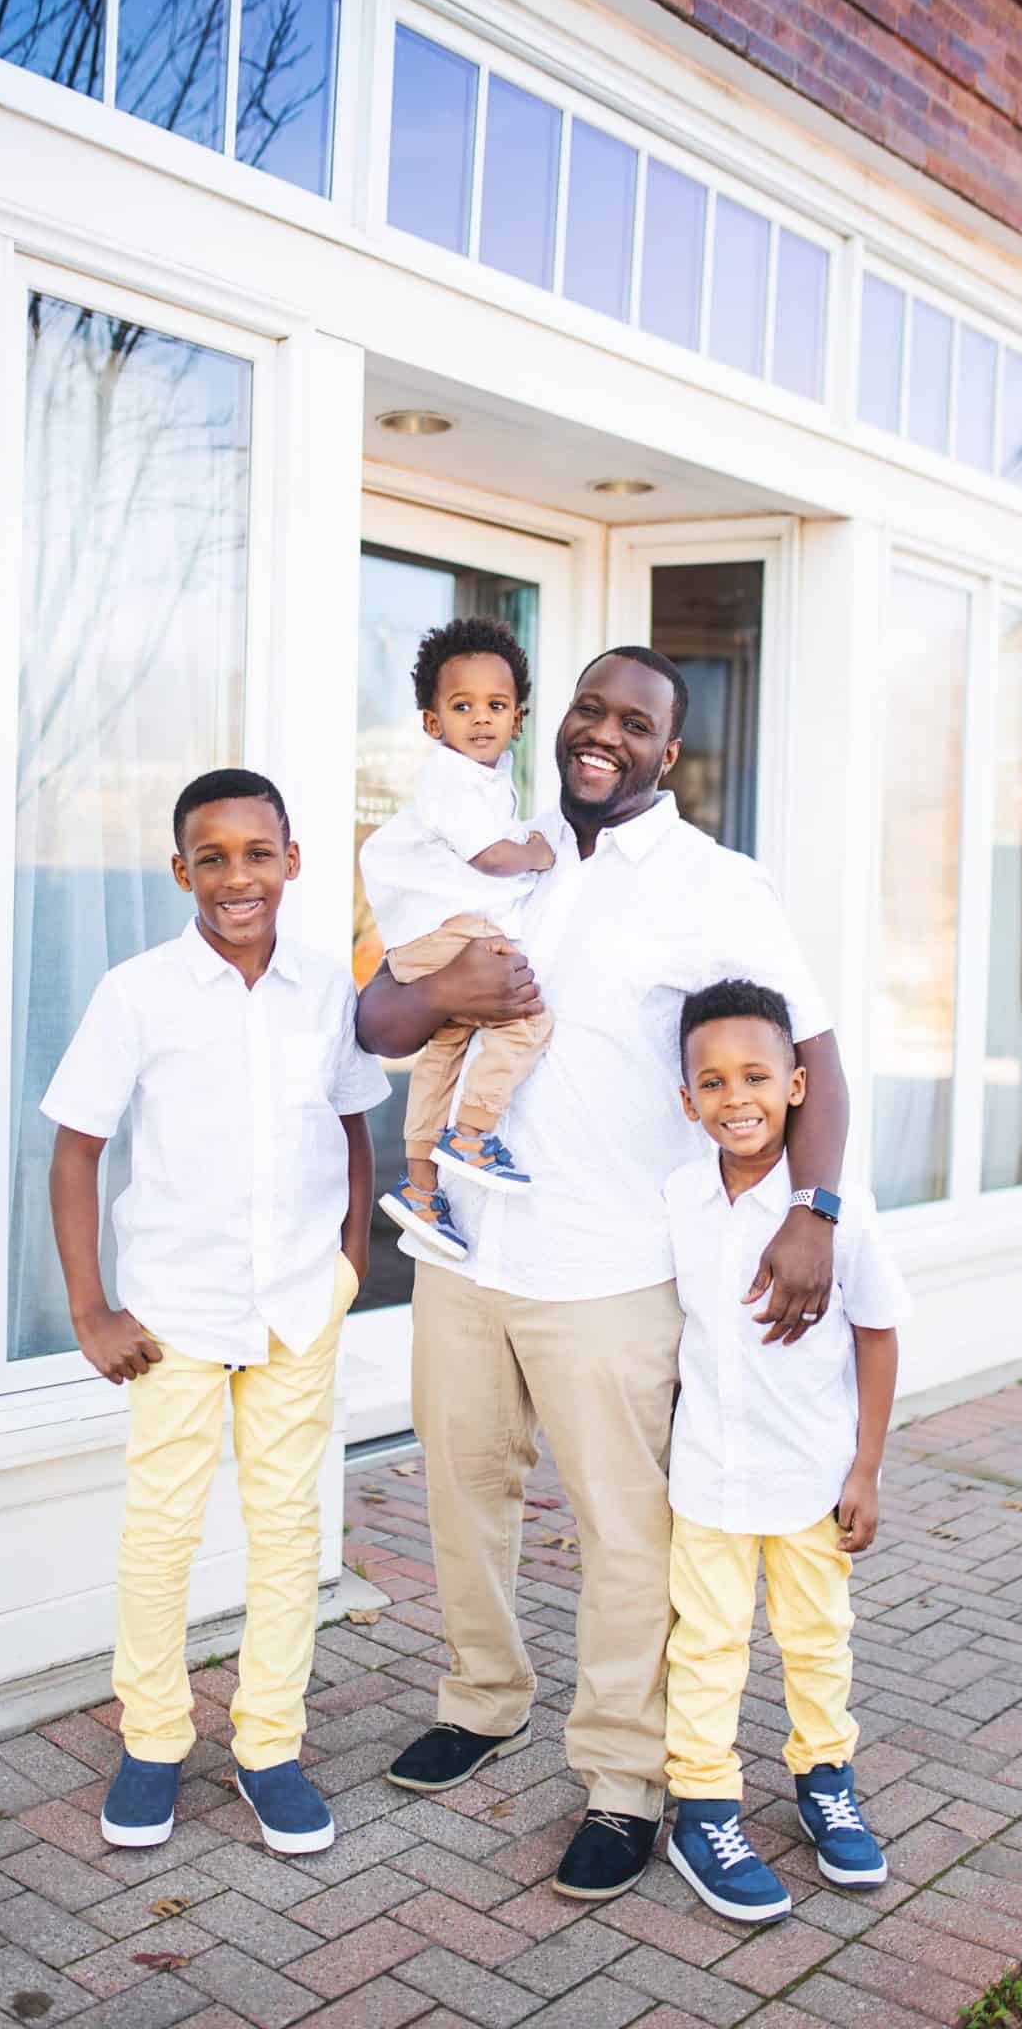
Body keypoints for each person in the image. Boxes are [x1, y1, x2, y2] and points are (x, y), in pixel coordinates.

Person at [358, 646, 850, 1902]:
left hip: (617, 1266)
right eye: (588, 709)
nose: (603, 735)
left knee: (627, 1536)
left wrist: (817, 1209)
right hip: (467, 1245)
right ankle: (483, 1699)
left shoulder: (714, 883)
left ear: (665, 752)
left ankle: (626, 1776)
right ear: (553, 721)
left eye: (635, 722)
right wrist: (450, 984)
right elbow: (376, 1022)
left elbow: (819, 1060)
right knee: (464, 1493)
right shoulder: (497, 847)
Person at [43, 768, 388, 1855]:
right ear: (181, 868)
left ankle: (269, 1745)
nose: (238, 875)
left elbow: (352, 1122)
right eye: (215, 855)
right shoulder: (138, 990)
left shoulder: (328, 988)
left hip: (296, 1303)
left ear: (294, 861)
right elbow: (76, 1148)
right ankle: (153, 1738)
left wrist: (348, 1254)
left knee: (288, 1529)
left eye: (258, 852)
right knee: (163, 1529)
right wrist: (91, 1304)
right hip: (175, 1310)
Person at [662, 979, 905, 1924]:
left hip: (809, 1474)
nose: (736, 1099)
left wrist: (865, 1469)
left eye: (756, 1076)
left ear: (798, 1084)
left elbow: (877, 1332)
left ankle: (823, 1778)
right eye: (711, 1083)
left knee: (814, 1641)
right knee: (709, 1644)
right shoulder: (679, 1197)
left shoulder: (839, 1212)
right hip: (707, 1476)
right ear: (687, 1101)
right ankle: (705, 1805)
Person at [360, 617, 556, 1264]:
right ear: (431, 723)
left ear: (518, 718)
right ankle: (471, 1134)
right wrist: (535, 850)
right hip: (453, 932)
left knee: (445, 1046)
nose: (479, 719)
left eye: (495, 706)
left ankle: (420, 1185)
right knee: (527, 1017)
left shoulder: (486, 779)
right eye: (461, 706)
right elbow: (490, 856)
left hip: (426, 938)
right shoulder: (452, 777)